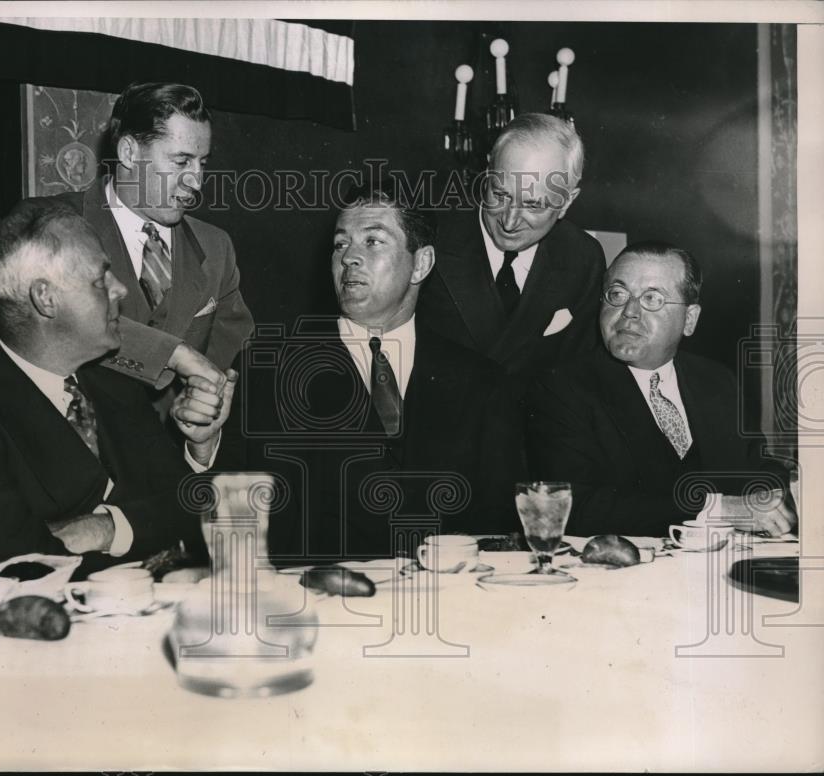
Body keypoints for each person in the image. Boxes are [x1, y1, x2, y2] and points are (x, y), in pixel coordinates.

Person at [0, 201, 233, 576]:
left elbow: (192, 513)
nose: (121, 289)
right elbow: (22, 570)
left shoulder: (114, 383)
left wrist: (108, 527)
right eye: (100, 280)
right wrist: (145, 523)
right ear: (46, 298)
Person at [231, 181, 525, 564]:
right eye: (340, 244)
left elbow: (500, 530)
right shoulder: (269, 370)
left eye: (373, 242)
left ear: (421, 263)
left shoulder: (483, 383)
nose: (349, 257)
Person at [526, 242, 797, 537]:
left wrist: (776, 493)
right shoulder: (561, 388)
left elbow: (753, 467)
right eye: (617, 294)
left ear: (689, 320)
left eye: (652, 298)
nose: (629, 312)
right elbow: (573, 506)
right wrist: (719, 510)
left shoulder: (717, 381)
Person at [33, 82, 254, 400]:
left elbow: (224, 363)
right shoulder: (46, 224)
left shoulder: (216, 247)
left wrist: (201, 411)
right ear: (128, 152)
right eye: (181, 162)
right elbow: (61, 321)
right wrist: (172, 353)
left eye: (202, 163)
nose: (196, 181)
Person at [417, 113, 605, 394]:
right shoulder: (428, 237)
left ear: (567, 202)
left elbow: (577, 378)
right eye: (500, 195)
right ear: (488, 169)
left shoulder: (583, 259)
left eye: (533, 205)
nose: (509, 221)